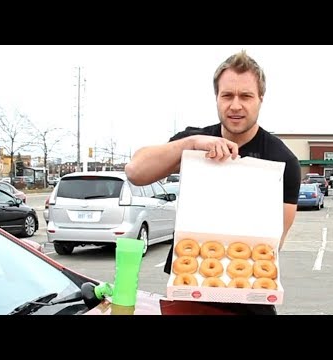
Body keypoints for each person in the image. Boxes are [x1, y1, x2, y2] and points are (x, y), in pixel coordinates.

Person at [125, 50, 301, 315]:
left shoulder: (282, 161)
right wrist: (192, 144)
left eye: (246, 96)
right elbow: (135, 171)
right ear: (216, 97)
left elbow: (274, 244)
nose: (235, 105)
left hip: (251, 299)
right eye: (227, 95)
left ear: (260, 99)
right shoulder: (193, 141)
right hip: (188, 289)